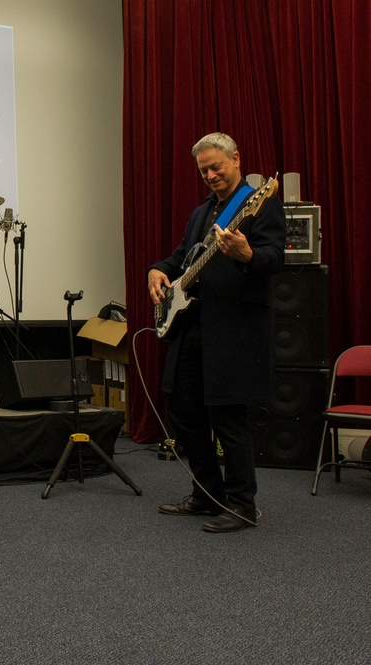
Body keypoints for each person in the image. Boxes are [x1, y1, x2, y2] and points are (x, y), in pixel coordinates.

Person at [147, 132, 286, 533]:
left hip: (234, 329)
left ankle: (242, 505)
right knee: (183, 410)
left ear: (236, 159)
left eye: (216, 166)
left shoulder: (260, 203)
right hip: (192, 326)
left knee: (228, 418)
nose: (210, 174)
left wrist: (248, 255)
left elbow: (275, 258)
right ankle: (208, 496)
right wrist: (157, 270)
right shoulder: (200, 213)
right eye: (204, 169)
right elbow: (179, 258)